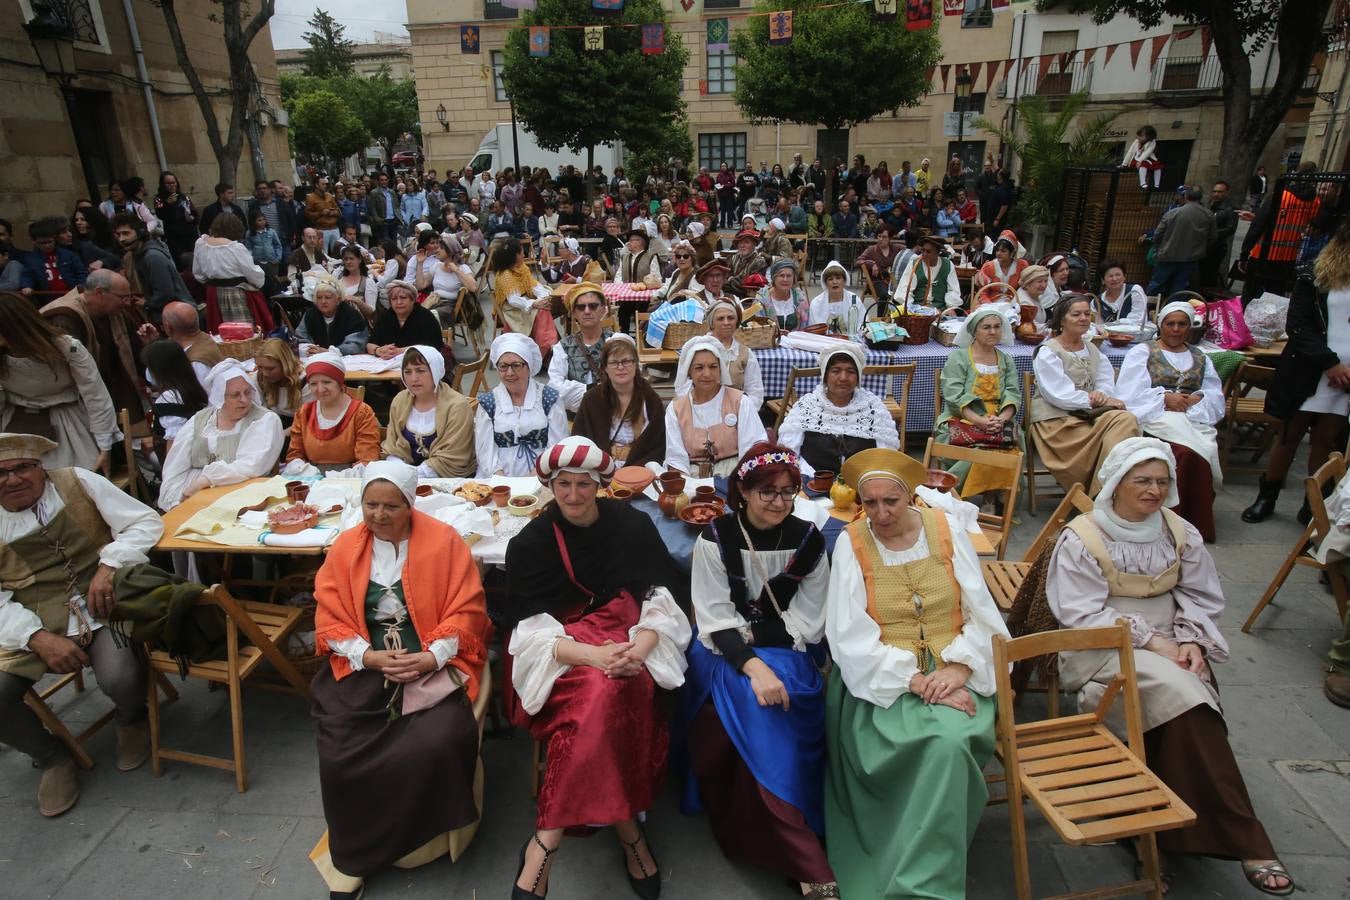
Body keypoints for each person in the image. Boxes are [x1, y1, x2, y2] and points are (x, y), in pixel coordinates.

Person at [1047, 438, 1294, 896]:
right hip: (1102, 646)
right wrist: (1154, 640)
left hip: (1172, 642)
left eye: (1162, 481)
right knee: (1189, 698)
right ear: (1117, 483)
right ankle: (1244, 836)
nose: (1154, 490)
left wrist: (1191, 638)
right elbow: (1079, 613)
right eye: (1142, 480)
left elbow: (1200, 596)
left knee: (1190, 689)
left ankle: (1159, 822)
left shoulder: (1180, 532)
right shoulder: (1081, 537)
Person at [502, 436, 691, 900]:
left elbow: (663, 598)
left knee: (611, 697)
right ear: (549, 486)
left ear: (600, 485)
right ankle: (630, 834)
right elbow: (528, 633)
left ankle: (544, 843)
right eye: (562, 484)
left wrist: (640, 648)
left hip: (629, 648)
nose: (572, 494)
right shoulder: (531, 544)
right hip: (561, 657)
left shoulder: (631, 527)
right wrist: (595, 656)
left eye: (583, 484)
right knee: (604, 697)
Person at [825, 447, 1009, 898]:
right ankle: (908, 860)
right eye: (870, 503)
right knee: (939, 743)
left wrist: (961, 667)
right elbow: (848, 635)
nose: (882, 513)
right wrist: (915, 679)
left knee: (948, 742)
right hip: (882, 680)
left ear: (910, 496)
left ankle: (924, 881)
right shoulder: (852, 544)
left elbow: (980, 611)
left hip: (958, 670)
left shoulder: (944, 530)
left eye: (891, 500)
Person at [310, 459, 490, 899]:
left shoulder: (443, 542)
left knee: (434, 741)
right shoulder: (346, 547)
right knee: (339, 751)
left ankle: (415, 844)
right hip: (367, 664)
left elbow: (469, 609)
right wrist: (367, 656)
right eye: (371, 504)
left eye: (391, 505)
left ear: (410, 503)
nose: (379, 515)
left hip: (433, 662)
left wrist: (431, 657)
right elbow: (329, 612)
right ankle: (353, 854)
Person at [682, 442, 837, 897]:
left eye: (788, 492)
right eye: (767, 491)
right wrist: (752, 664)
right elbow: (713, 618)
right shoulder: (715, 539)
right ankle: (805, 857)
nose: (778, 502)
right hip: (721, 652)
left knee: (779, 701)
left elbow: (809, 619)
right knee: (759, 703)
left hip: (788, 649)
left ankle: (782, 824)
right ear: (743, 492)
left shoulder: (808, 539)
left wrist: (760, 643)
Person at [0, 433, 170, 817]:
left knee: (120, 676)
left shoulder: (76, 481)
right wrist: (36, 636)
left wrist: (110, 565)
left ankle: (132, 717)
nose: (13, 479)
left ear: (39, 467)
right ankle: (51, 757)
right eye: (2, 472)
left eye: (23, 467)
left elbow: (144, 520)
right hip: (28, 621)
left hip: (100, 604)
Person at [1243, 223, 1350, 523]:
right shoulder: (1313, 277)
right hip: (1311, 370)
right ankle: (1267, 497)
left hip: (1344, 381)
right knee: (1289, 437)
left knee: (1325, 443)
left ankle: (1311, 504)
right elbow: (1298, 325)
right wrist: (1330, 363)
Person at [1116, 302, 1224, 541]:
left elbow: (1215, 393)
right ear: (1161, 325)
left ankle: (1194, 522)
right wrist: (1163, 398)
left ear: (1189, 327)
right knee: (1186, 453)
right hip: (1156, 416)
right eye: (1170, 324)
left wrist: (1198, 398)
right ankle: (1171, 518)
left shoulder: (1200, 356)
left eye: (1182, 324)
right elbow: (1129, 393)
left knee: (1205, 449)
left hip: (1192, 416)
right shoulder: (1144, 352)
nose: (1175, 329)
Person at [1030, 294, 1141, 491]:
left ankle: (1103, 489)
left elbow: (1105, 380)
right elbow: (1057, 394)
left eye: (1087, 314)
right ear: (1062, 319)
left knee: (1126, 420)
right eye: (1076, 314)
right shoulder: (1048, 350)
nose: (1083, 318)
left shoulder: (1092, 348)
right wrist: (1091, 400)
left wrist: (1101, 394)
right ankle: (1104, 491)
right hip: (1058, 420)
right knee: (1121, 426)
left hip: (1089, 415)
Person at [0, 293, 118, 472]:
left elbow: (95, 394)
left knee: (71, 484)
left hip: (67, 425)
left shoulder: (66, 348)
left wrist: (104, 446)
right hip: (16, 424)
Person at [158, 360, 285, 510]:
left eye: (247, 392)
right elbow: (175, 469)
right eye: (235, 395)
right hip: (192, 496)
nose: (244, 400)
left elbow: (251, 466)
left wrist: (205, 479)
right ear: (219, 397)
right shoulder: (199, 421)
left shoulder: (264, 420)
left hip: (241, 496)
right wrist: (175, 502)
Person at [39, 269, 150, 441]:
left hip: (116, 393)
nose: (126, 303)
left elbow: (137, 353)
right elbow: (68, 370)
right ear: (99, 292)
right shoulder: (64, 317)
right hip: (83, 404)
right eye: (122, 297)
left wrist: (149, 344)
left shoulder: (117, 313)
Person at [933, 306, 1023, 496]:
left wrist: (1002, 419)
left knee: (1008, 447)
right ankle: (951, 495)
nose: (993, 331)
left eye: (997, 327)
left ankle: (992, 498)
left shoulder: (1006, 360)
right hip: (962, 418)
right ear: (974, 331)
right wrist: (980, 421)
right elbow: (953, 396)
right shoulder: (958, 358)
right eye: (986, 327)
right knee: (984, 450)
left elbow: (1013, 393)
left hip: (998, 418)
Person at [779, 343, 898, 479]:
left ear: (858, 377)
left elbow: (887, 459)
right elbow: (789, 456)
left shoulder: (874, 409)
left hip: (863, 488)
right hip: (813, 487)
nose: (843, 378)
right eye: (836, 371)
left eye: (851, 372)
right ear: (825, 376)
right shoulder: (807, 407)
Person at [665, 336, 768, 477]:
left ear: (720, 369)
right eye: (699, 367)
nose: (707, 374)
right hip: (692, 477)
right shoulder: (676, 409)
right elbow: (676, 458)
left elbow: (752, 449)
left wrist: (742, 482)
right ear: (689, 372)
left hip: (734, 474)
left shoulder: (741, 402)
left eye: (713, 367)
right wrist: (685, 486)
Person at [475, 334, 567, 478]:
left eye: (516, 365)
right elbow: (485, 451)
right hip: (497, 478)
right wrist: (501, 480)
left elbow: (557, 447)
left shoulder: (549, 398)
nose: (509, 373)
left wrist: (533, 477)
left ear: (529, 367)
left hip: (543, 475)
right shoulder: (489, 403)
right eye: (503, 366)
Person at [572, 335, 666, 468]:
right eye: (614, 362)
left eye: (626, 361)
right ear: (605, 368)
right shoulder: (592, 400)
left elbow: (658, 446)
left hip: (640, 471)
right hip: (600, 470)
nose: (620, 367)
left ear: (635, 364)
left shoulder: (650, 400)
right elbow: (579, 441)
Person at [383, 345, 476, 478]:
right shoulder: (400, 401)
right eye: (408, 372)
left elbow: (455, 455)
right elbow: (392, 445)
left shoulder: (456, 406)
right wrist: (398, 467)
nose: (414, 378)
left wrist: (414, 475)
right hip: (406, 476)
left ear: (435, 371)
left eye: (420, 370)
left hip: (449, 479)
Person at [283, 353, 381, 475]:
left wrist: (333, 478)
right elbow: (294, 455)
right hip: (310, 477)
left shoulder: (361, 412)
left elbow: (367, 460)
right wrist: (312, 475)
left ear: (339, 383)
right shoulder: (304, 412)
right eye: (313, 384)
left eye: (327, 382)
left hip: (350, 479)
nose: (320, 389)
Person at [192, 213, 272, 333]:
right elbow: (253, 274)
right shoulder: (236, 248)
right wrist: (259, 280)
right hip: (236, 294)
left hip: (213, 293)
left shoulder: (201, 244)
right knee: (242, 333)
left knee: (221, 334)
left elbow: (198, 274)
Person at [546, 282, 614, 413]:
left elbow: (627, 384)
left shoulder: (616, 341)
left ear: (603, 309)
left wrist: (575, 393)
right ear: (573, 313)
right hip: (576, 418)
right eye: (581, 307)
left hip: (613, 415)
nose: (587, 311)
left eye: (593, 306)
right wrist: (590, 390)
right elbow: (555, 388)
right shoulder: (563, 347)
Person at [689, 297, 765, 412]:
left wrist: (744, 414)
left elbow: (755, 391)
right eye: (720, 319)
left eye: (731, 318)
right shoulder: (698, 349)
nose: (726, 322)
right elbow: (685, 386)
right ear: (711, 323)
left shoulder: (744, 353)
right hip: (701, 410)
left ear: (736, 322)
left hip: (735, 413)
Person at [110, 213, 189, 322]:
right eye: (118, 235)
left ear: (140, 232)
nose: (122, 239)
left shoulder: (152, 257)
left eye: (126, 233)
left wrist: (147, 303)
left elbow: (165, 294)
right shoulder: (135, 255)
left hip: (177, 317)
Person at [491, 237, 559, 357]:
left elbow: (533, 285)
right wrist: (533, 303)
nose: (524, 254)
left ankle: (551, 344)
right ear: (515, 256)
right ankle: (545, 349)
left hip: (524, 301)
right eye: (522, 252)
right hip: (512, 309)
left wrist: (544, 297)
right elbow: (513, 300)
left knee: (547, 303)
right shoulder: (505, 274)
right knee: (541, 310)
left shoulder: (522, 268)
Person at [1146, 188, 1216, 298]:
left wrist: (1158, 249)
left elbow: (1157, 234)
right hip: (1190, 258)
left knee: (1156, 284)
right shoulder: (1208, 215)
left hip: (1167, 255)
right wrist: (1200, 249)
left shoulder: (1172, 213)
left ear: (1186, 197)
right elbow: (1212, 238)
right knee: (1179, 288)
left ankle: (1146, 307)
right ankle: (1174, 311)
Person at [142, 339, 208, 451]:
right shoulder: (192, 386)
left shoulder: (169, 398)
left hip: (184, 458)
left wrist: (170, 468)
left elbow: (175, 444)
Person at [367, 280, 446, 359]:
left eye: (403, 298)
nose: (399, 302)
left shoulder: (425, 317)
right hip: (387, 363)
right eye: (394, 299)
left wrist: (401, 351)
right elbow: (369, 344)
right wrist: (378, 350)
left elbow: (433, 347)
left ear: (413, 300)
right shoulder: (386, 317)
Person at [297, 273, 369, 357]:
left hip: (345, 362)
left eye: (327, 297)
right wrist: (310, 349)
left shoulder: (352, 316)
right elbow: (300, 339)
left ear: (338, 299)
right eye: (319, 297)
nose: (323, 301)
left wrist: (330, 352)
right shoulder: (310, 315)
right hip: (315, 359)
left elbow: (356, 344)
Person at [894, 235, 962, 313]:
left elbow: (953, 290)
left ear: (937, 252)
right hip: (917, 313)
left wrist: (951, 308)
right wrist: (913, 309)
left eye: (928, 251)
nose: (924, 254)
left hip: (941, 312)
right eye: (923, 250)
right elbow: (905, 291)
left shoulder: (948, 265)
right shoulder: (914, 264)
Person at [159, 299, 223, 382]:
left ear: (168, 327)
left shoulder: (195, 363)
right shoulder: (204, 337)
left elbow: (203, 393)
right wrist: (153, 343)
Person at [22, 216, 88, 294]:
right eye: (43, 243)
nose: (47, 245)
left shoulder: (68, 255)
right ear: (34, 242)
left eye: (50, 242)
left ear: (55, 239)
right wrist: (27, 286)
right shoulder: (31, 259)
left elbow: (81, 272)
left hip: (72, 294)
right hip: (49, 298)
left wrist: (81, 285)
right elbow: (28, 275)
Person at [253, 337, 309, 428]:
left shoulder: (305, 382)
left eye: (270, 369)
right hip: (274, 424)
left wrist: (280, 435)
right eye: (260, 367)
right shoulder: (259, 377)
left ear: (285, 365)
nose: (265, 373)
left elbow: (309, 420)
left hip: (301, 427)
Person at [808, 260, 864, 336]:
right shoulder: (816, 303)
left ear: (844, 281)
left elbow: (862, 323)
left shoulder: (854, 300)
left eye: (838, 278)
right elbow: (813, 330)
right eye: (830, 279)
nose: (834, 282)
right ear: (826, 283)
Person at [153, 171, 197, 262]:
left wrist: (192, 218)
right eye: (168, 183)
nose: (172, 185)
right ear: (163, 184)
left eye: (173, 182)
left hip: (190, 235)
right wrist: (168, 204)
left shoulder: (184, 197)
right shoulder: (159, 199)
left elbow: (194, 213)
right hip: (175, 238)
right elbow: (160, 215)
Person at [757, 258, 810, 331]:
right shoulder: (762, 298)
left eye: (789, 276)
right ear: (774, 278)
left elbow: (805, 325)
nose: (785, 279)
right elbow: (756, 328)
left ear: (794, 278)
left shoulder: (799, 296)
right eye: (781, 275)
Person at [1097, 258, 1148, 326]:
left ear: (1124, 277)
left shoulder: (1135, 291)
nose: (1114, 279)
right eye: (1110, 276)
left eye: (1118, 275)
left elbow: (1139, 320)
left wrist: (1112, 325)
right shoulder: (1096, 302)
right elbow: (1097, 325)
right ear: (1103, 280)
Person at [726, 229, 770, 299]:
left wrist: (730, 279)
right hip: (731, 296)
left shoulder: (759, 262)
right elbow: (725, 275)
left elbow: (749, 286)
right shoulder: (733, 258)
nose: (742, 245)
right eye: (740, 242)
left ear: (754, 244)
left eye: (747, 242)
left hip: (749, 299)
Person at [856, 227, 900, 297]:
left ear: (890, 238)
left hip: (893, 281)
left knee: (903, 294)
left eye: (884, 237)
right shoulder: (871, 250)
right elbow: (858, 261)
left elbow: (909, 251)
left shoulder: (896, 248)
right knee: (886, 295)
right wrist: (872, 264)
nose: (881, 239)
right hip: (877, 282)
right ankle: (882, 308)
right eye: (879, 236)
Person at [335, 245, 378, 316]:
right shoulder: (338, 278)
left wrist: (357, 301)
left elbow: (371, 311)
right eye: (346, 259)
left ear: (360, 259)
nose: (348, 262)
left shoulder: (368, 282)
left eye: (351, 259)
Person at [305, 177, 342, 250]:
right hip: (322, 229)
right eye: (323, 184)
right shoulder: (310, 198)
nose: (325, 186)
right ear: (316, 185)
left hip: (334, 227)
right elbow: (308, 214)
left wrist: (333, 212)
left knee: (337, 251)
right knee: (323, 252)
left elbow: (338, 210)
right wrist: (321, 213)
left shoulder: (329, 195)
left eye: (326, 184)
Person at [1122, 125, 1163, 190]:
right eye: (1138, 135)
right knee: (1143, 165)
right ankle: (1143, 183)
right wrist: (1124, 163)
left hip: (1148, 158)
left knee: (1158, 167)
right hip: (1137, 158)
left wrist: (1140, 160)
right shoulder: (1136, 141)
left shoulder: (1152, 142)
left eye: (1141, 136)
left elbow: (1148, 152)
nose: (1138, 137)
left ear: (1148, 137)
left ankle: (1157, 185)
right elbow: (1130, 152)